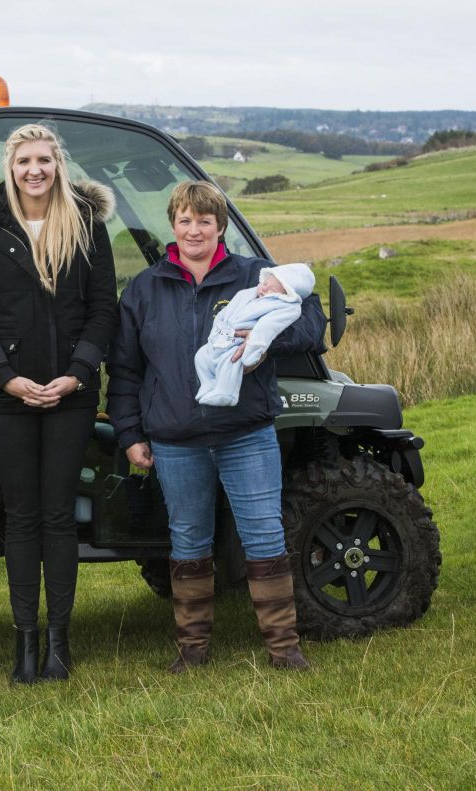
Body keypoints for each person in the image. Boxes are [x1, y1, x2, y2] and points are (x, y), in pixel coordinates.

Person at [106, 180, 327, 673]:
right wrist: (130, 433)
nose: (194, 230)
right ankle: (192, 650)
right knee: (187, 541)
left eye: (204, 221)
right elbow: (124, 370)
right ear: (173, 226)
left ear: (220, 226)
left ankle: (285, 648)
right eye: (185, 220)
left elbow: (313, 325)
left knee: (265, 536)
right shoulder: (145, 288)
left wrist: (268, 339)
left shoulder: (254, 275)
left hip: (245, 432)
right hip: (175, 438)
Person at [0, 123, 118, 683]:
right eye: (25, 161)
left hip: (71, 396)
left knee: (58, 517)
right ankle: (25, 642)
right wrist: (5, 378)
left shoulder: (87, 226)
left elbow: (102, 311)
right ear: (10, 165)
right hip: (5, 398)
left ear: (58, 164)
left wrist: (76, 374)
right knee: (21, 518)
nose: (35, 170)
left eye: (44, 159)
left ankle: (59, 644)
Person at [194, 263, 315, 406]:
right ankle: (208, 384)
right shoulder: (247, 295)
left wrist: (255, 349)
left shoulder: (284, 308)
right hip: (220, 339)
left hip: (237, 346)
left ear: (287, 295)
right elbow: (224, 312)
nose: (263, 288)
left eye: (272, 289)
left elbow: (266, 329)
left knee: (231, 362)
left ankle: (226, 392)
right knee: (201, 356)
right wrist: (216, 332)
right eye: (264, 283)